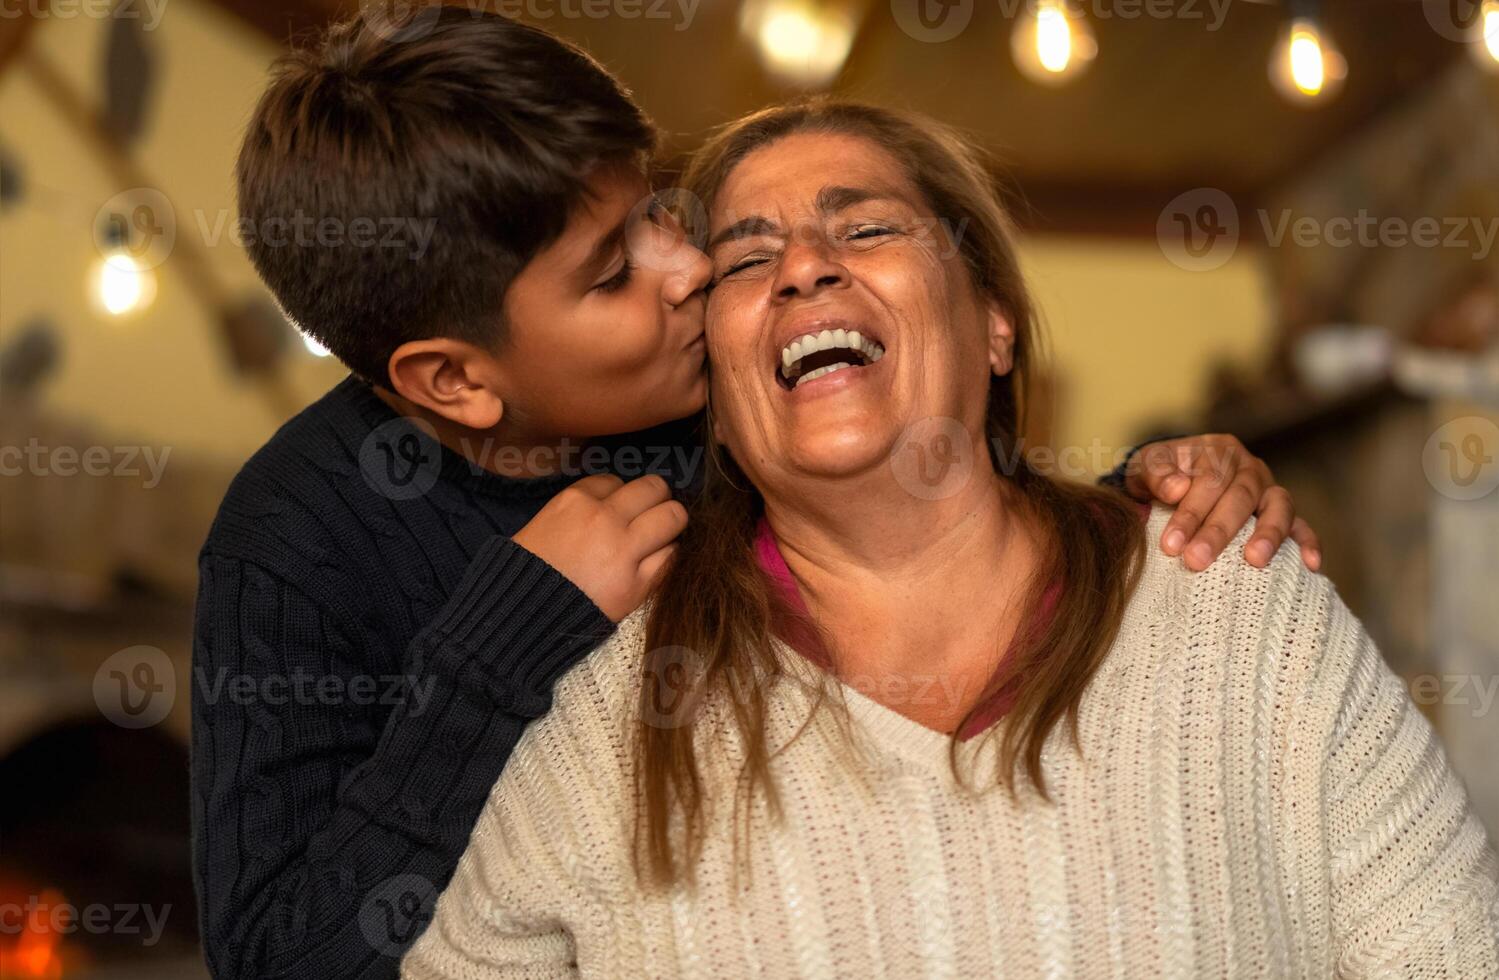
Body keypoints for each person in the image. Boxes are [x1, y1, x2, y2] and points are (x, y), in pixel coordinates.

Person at [196, 10, 1316, 978]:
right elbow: (281, 955)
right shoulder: (294, 540)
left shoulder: (715, 388)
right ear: (453, 380)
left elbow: (938, 514)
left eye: (658, 210)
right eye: (608, 273)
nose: (685, 270)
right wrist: (500, 648)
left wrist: (1143, 506)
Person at [402, 100, 1499, 978]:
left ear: (993, 321)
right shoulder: (613, 696)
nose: (802, 267)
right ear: (719, 391)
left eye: (864, 226)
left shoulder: (1234, 595)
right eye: (745, 260)